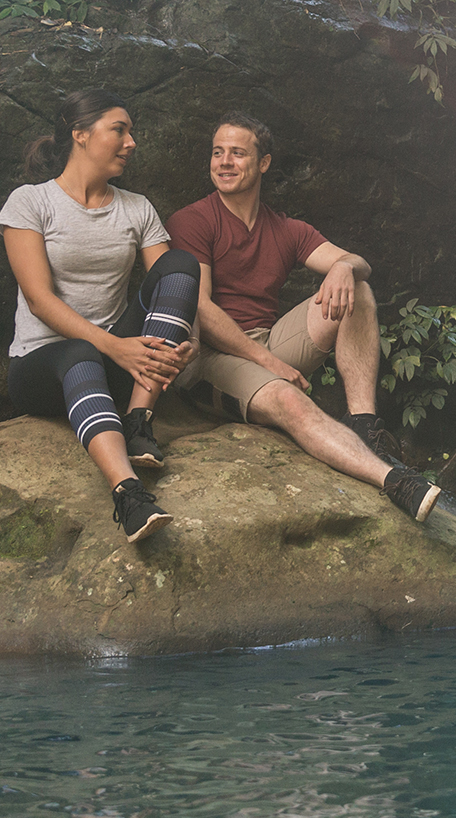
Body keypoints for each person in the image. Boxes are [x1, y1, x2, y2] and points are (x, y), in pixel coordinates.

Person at [167, 112, 442, 523]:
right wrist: (270, 364)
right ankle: (394, 480)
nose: (224, 162)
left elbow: (357, 262)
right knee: (286, 398)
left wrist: (344, 267)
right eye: (217, 152)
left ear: (263, 163)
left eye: (237, 153)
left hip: (269, 342)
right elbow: (201, 309)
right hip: (210, 358)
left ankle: (364, 425)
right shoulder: (192, 220)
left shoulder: (286, 228)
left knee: (359, 291)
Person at [0, 89, 200, 545]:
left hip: (119, 366)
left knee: (181, 264)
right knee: (79, 353)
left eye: (131, 132)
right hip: (44, 368)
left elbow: (171, 284)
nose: (131, 142)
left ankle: (139, 421)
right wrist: (114, 346)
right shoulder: (31, 202)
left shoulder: (136, 207)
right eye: (120, 130)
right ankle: (128, 494)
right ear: (81, 135)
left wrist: (186, 343)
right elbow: (38, 300)